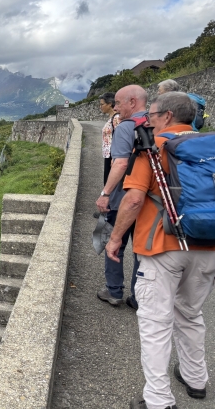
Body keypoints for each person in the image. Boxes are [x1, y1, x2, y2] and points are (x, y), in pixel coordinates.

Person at [106, 92, 215, 409]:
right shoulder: (210, 146)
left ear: (167, 116)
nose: (148, 121)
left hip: (162, 247)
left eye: (152, 115)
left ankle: (158, 399)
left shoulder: (153, 148)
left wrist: (115, 239)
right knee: (190, 314)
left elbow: (133, 200)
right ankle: (196, 379)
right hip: (207, 245)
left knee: (155, 323)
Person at [95, 85, 146, 309]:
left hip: (122, 197)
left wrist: (105, 193)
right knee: (141, 248)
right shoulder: (156, 123)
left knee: (115, 242)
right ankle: (138, 296)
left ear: (132, 102)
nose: (116, 108)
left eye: (118, 103)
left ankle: (114, 291)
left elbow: (120, 164)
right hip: (147, 199)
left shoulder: (126, 127)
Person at [99, 92, 120, 184]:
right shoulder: (112, 117)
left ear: (110, 104)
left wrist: (115, 157)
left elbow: (119, 138)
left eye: (102, 104)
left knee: (109, 182)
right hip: (108, 154)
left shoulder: (116, 118)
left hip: (113, 155)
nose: (100, 107)